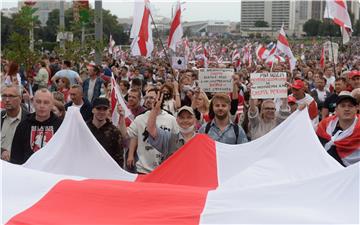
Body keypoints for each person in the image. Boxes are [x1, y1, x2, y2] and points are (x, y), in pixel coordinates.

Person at [120, 88, 178, 174]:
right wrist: (121, 117)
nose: (148, 100)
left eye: (151, 98)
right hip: (143, 170)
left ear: (160, 99)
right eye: (146, 98)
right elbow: (125, 135)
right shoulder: (140, 118)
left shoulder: (171, 119)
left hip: (164, 170)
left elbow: (176, 143)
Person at [10, 88, 62, 164]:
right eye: (38, 102)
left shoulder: (60, 125)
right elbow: (16, 155)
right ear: (33, 103)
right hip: (28, 171)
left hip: (51, 171)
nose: (42, 105)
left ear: (52, 105)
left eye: (46, 102)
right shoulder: (24, 124)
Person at [147, 93, 197, 161]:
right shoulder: (169, 138)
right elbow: (151, 130)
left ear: (194, 120)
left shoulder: (202, 140)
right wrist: (155, 110)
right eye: (182, 118)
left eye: (189, 117)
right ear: (177, 120)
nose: (185, 120)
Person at [316, 91, 360, 167]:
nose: (347, 109)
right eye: (343, 106)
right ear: (336, 109)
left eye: (350, 106)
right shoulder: (324, 125)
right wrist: (301, 111)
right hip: (329, 169)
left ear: (356, 109)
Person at [87, 97, 124, 167]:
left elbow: (119, 159)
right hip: (87, 169)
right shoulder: (85, 129)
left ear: (108, 111)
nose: (101, 112)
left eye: (105, 109)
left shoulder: (115, 133)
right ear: (93, 110)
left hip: (107, 172)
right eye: (98, 108)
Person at [1, 85, 29, 161]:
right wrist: (1, 151)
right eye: (4, 96)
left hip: (18, 167)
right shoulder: (1, 117)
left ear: (20, 98)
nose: (7, 100)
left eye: (11, 96)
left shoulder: (29, 120)